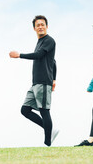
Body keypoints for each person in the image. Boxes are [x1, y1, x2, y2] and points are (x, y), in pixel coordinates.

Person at [9, 15, 59, 147]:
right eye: (38, 25)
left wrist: (19, 55)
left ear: (47, 26)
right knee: (25, 110)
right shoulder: (40, 41)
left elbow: (39, 55)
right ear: (34, 28)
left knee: (44, 111)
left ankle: (48, 143)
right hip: (36, 82)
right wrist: (54, 79)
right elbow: (53, 62)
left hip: (43, 81)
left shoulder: (49, 40)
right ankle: (49, 130)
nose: (40, 27)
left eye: (43, 24)